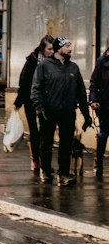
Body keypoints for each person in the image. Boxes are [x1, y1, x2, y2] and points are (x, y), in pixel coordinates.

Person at [31, 37, 92, 185]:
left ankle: (63, 174)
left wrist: (86, 114)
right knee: (46, 142)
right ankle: (45, 171)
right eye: (67, 46)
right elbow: (36, 88)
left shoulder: (73, 68)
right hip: (49, 110)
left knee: (66, 144)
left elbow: (81, 93)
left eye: (70, 45)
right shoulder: (45, 65)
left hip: (68, 111)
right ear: (58, 49)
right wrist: (40, 107)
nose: (70, 48)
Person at [13, 35, 55, 173]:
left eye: (53, 48)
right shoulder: (32, 60)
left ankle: (45, 161)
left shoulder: (55, 61)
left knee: (46, 131)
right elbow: (24, 81)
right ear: (43, 48)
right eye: (49, 49)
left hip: (48, 101)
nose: (52, 51)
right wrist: (19, 101)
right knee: (35, 131)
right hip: (31, 101)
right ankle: (35, 160)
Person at [88, 42, 109, 181]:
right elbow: (94, 82)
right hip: (106, 103)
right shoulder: (103, 61)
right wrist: (94, 99)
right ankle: (99, 162)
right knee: (104, 134)